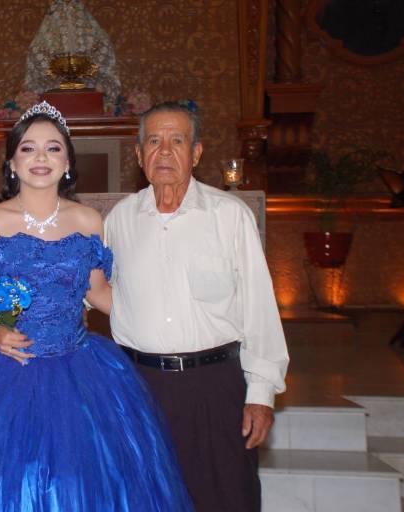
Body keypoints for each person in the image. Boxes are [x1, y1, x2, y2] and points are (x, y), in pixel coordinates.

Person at [0, 102, 193, 511]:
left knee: (86, 481)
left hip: (81, 369)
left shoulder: (89, 221)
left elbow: (98, 293)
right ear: (12, 163)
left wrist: (163, 306)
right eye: (28, 148)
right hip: (11, 373)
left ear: (67, 163)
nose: (41, 157)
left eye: (53, 148)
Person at [104, 100, 290, 512]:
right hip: (142, 386)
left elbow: (259, 307)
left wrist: (261, 393)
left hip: (215, 385)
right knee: (147, 498)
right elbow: (97, 290)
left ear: (197, 152)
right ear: (139, 155)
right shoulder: (119, 220)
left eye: (177, 141)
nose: (164, 151)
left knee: (226, 496)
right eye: (154, 141)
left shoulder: (229, 216)